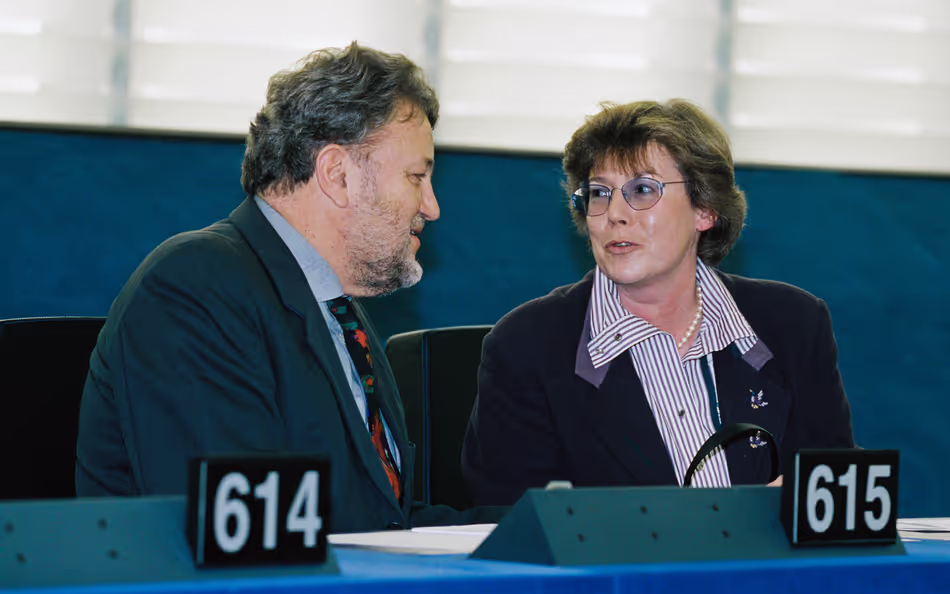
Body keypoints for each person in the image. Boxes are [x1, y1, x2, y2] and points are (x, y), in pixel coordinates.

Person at [76, 43, 504, 531]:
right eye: (416, 177)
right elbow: (241, 534)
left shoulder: (339, 313)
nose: (431, 206)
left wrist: (537, 532)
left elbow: (386, 521)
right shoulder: (192, 287)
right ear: (336, 174)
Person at [462, 99, 855, 506]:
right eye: (598, 194)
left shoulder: (792, 325)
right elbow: (515, 529)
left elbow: (837, 496)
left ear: (705, 209)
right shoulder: (528, 347)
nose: (614, 213)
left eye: (643, 190)